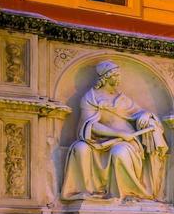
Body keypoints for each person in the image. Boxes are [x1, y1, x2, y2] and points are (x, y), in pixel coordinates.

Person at [61, 60, 167, 201]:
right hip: (98, 141)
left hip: (126, 142)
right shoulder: (90, 98)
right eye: (115, 75)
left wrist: (146, 115)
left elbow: (139, 112)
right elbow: (90, 125)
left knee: (120, 153)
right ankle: (86, 192)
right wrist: (118, 133)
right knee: (80, 148)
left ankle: (123, 195)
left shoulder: (122, 99)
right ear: (105, 77)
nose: (119, 79)